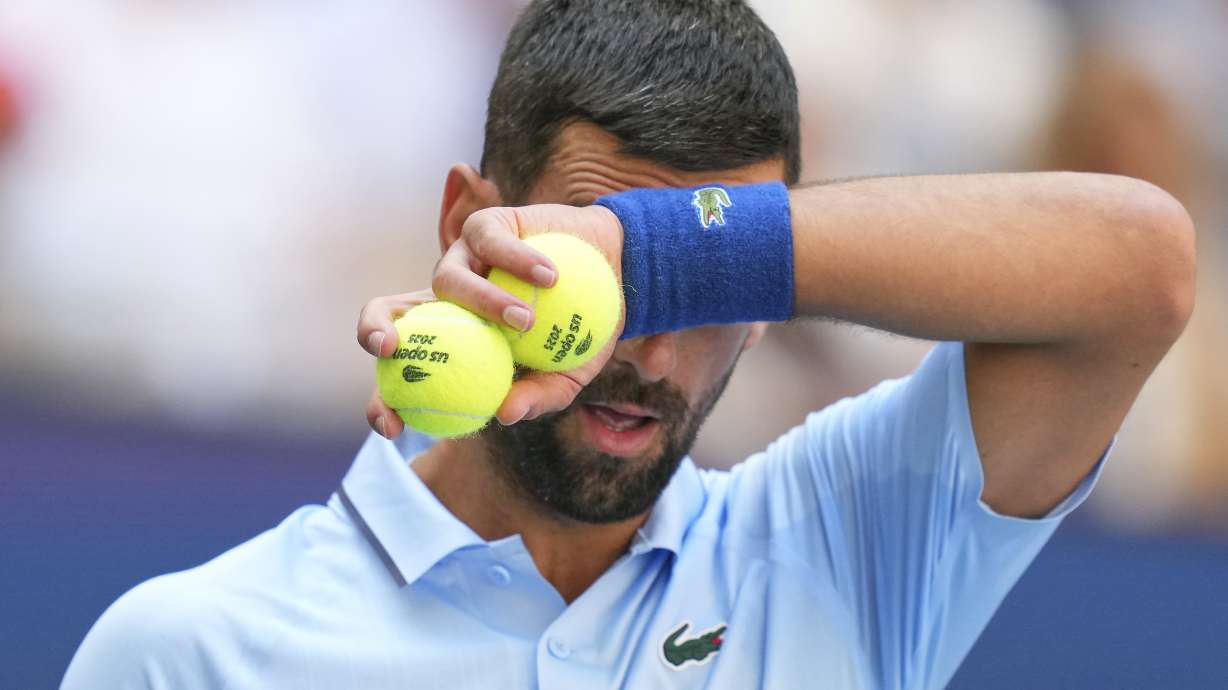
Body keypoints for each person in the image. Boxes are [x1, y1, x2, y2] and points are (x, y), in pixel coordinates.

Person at [61, 1, 1195, 688]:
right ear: (469, 223)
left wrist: (637, 247)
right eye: (599, 291)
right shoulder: (189, 652)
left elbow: (1140, 267)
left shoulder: (842, 549)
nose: (650, 356)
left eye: (705, 286)